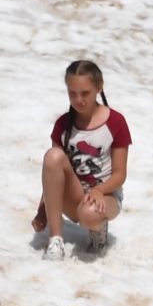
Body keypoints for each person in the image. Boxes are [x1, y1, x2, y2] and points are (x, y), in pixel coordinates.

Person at [31, 59, 130, 256]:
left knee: (89, 214)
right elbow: (52, 172)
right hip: (75, 194)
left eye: (85, 93)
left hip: (106, 196)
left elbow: (120, 174)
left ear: (99, 87)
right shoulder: (63, 124)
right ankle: (55, 240)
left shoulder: (116, 122)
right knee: (53, 156)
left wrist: (99, 190)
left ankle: (98, 229)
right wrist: (43, 209)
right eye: (72, 93)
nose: (79, 100)